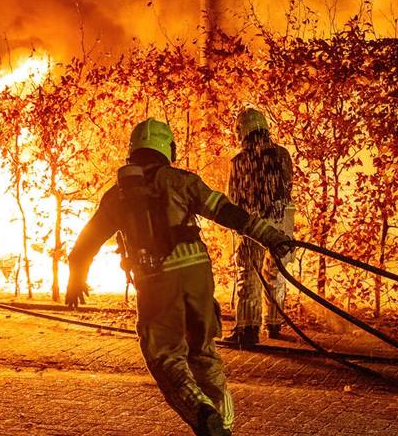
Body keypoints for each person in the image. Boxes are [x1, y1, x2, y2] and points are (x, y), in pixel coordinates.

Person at [66, 119, 295, 436]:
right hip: (197, 276)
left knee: (165, 357)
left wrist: (76, 278)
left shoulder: (117, 196)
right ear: (167, 149)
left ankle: (202, 412)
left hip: (156, 282)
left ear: (133, 151)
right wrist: (270, 236)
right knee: (204, 353)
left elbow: (86, 242)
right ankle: (224, 423)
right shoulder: (181, 181)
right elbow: (226, 211)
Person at [225, 108, 296, 347]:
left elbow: (232, 198)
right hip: (281, 222)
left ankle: (247, 329)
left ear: (242, 131)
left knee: (249, 274)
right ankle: (273, 324)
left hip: (252, 225)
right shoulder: (282, 155)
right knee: (276, 274)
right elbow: (287, 186)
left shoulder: (240, 161)